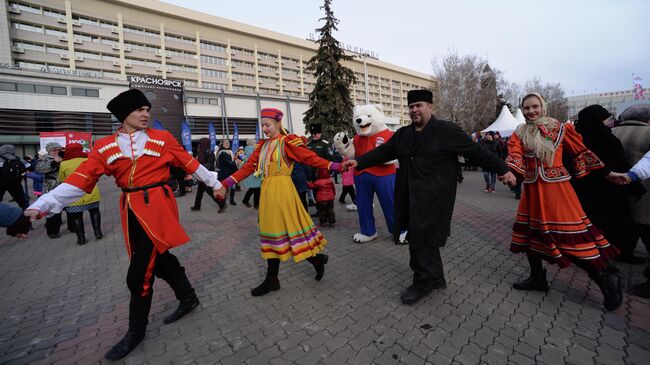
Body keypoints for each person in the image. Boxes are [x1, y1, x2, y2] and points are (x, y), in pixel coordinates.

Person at [24, 89, 223, 360]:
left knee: (138, 273)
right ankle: (188, 298)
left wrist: (217, 184)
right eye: (138, 110)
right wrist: (42, 204)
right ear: (123, 115)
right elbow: (80, 180)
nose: (145, 114)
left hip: (158, 206)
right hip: (130, 208)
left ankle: (136, 331)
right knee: (160, 259)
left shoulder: (162, 138)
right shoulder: (104, 146)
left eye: (147, 109)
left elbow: (190, 164)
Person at [341, 89, 515, 305]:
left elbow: (477, 152)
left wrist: (503, 169)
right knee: (424, 238)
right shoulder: (404, 134)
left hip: (435, 196)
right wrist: (359, 162)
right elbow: (384, 152)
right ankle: (436, 278)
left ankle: (422, 282)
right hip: (409, 194)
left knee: (419, 240)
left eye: (419, 105)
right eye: (411, 106)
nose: (415, 110)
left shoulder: (446, 131)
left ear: (430, 107)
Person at [505, 93, 624, 311]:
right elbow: (515, 154)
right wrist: (511, 172)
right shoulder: (519, 133)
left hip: (557, 192)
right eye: (526, 108)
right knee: (530, 236)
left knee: (569, 239)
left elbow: (581, 152)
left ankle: (605, 278)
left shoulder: (561, 129)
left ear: (543, 107)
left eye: (535, 107)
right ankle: (538, 278)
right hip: (532, 191)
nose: (531, 111)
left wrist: (607, 173)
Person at [216, 108, 339, 297]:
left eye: (268, 125)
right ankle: (312, 261)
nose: (264, 128)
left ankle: (278, 277)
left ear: (278, 124)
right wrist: (226, 183)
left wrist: (335, 166)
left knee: (283, 231)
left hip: (283, 191)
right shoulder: (262, 146)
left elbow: (310, 158)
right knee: (277, 233)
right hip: (268, 192)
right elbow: (248, 167)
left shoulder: (287, 142)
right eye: (262, 125)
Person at [572, 105, 644, 264]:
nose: (607, 122)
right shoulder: (603, 136)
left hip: (584, 187)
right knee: (617, 221)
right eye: (604, 119)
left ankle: (590, 250)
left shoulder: (577, 136)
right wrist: (633, 184)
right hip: (609, 186)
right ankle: (617, 251)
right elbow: (619, 161)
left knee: (591, 220)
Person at [610, 104, 650, 297]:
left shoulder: (613, 131)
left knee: (628, 225)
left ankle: (624, 252)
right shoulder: (648, 133)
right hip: (644, 192)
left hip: (617, 188)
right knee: (646, 230)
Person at [57, 143, 103, 245]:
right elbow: (96, 173)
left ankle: (81, 238)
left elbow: (61, 179)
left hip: (74, 193)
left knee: (77, 216)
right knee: (94, 211)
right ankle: (98, 232)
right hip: (91, 191)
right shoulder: (88, 160)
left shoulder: (64, 164)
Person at [35, 142, 64, 238]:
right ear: (49, 151)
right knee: (52, 211)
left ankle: (71, 227)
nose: (56, 152)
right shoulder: (44, 160)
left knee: (65, 209)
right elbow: (40, 170)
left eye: (58, 150)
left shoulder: (65, 157)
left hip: (64, 187)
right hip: (51, 189)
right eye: (54, 150)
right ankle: (52, 232)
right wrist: (55, 162)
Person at [190, 138, 225, 212]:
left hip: (206, 175)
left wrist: (201, 172)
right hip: (205, 174)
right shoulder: (207, 152)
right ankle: (197, 206)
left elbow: (207, 165)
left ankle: (222, 204)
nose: (199, 144)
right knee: (200, 191)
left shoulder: (206, 152)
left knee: (210, 192)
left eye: (200, 143)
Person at [0, 144, 28, 209]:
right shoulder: (17, 158)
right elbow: (30, 167)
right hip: (15, 183)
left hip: (1, 183)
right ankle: (27, 215)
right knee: (22, 201)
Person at [241, 140, 262, 209]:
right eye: (255, 143)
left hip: (253, 173)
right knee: (256, 189)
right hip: (254, 172)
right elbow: (252, 161)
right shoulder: (251, 151)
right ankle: (256, 204)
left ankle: (245, 200)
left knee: (253, 188)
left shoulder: (248, 150)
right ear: (253, 144)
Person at [217, 140, 238, 208]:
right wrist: (236, 163)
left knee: (232, 186)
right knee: (226, 187)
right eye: (225, 143)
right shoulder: (222, 152)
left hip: (231, 172)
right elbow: (229, 162)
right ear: (222, 145)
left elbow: (232, 162)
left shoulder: (231, 152)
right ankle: (223, 202)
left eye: (228, 143)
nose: (227, 144)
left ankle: (232, 200)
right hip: (225, 173)